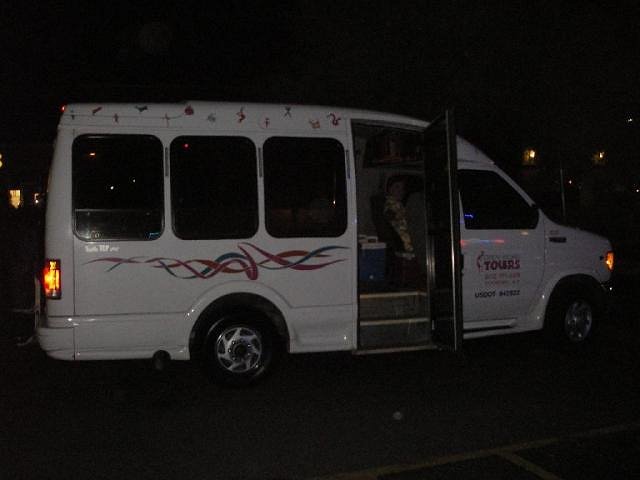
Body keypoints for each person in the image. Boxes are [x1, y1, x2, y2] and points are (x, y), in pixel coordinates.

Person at [383, 177, 414, 256]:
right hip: (406, 246)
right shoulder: (391, 203)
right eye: (397, 187)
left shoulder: (400, 204)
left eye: (403, 188)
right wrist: (393, 215)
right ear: (389, 189)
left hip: (408, 242)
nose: (401, 191)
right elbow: (388, 214)